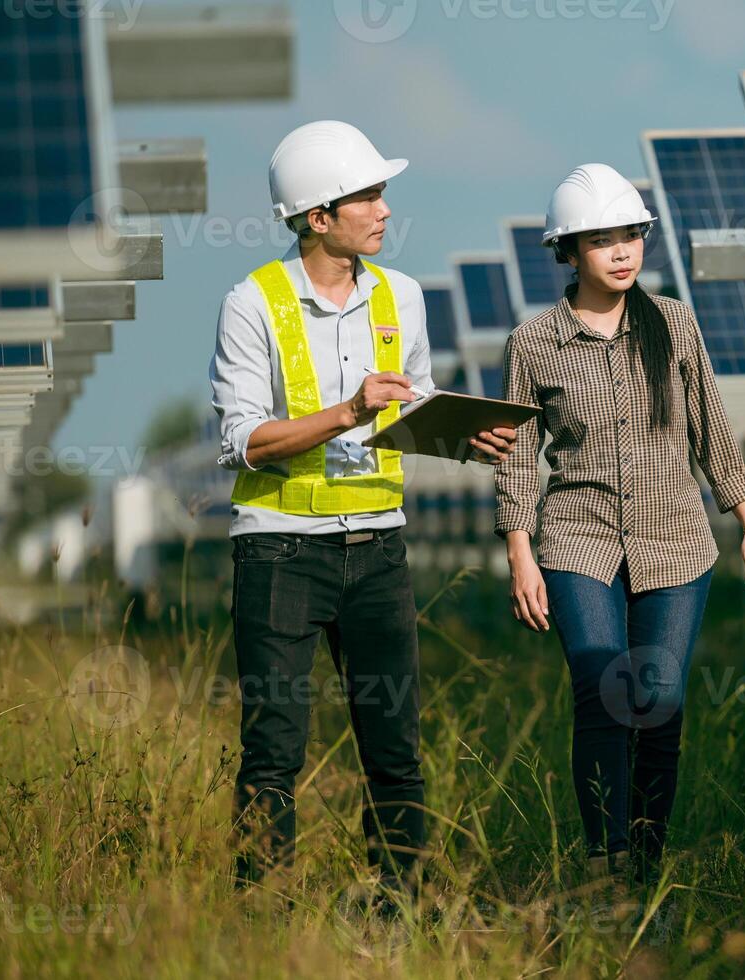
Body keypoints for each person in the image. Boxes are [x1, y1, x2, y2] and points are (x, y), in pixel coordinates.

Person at [209, 120, 518, 905]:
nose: (385, 209)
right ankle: (264, 914)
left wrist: (458, 439)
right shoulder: (253, 303)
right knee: (274, 750)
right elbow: (244, 441)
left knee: (395, 748)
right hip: (280, 553)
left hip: (379, 550)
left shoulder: (401, 297)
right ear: (318, 217)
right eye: (368, 196)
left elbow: (400, 414)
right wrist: (347, 412)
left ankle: (397, 907)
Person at [493, 163, 745, 881]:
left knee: (657, 697)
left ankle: (648, 861)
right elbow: (519, 457)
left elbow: (711, 422)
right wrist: (520, 554)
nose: (621, 252)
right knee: (600, 686)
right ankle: (605, 866)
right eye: (601, 241)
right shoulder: (533, 343)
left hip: (675, 537)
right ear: (567, 252)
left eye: (631, 236)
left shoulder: (673, 320)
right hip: (575, 537)